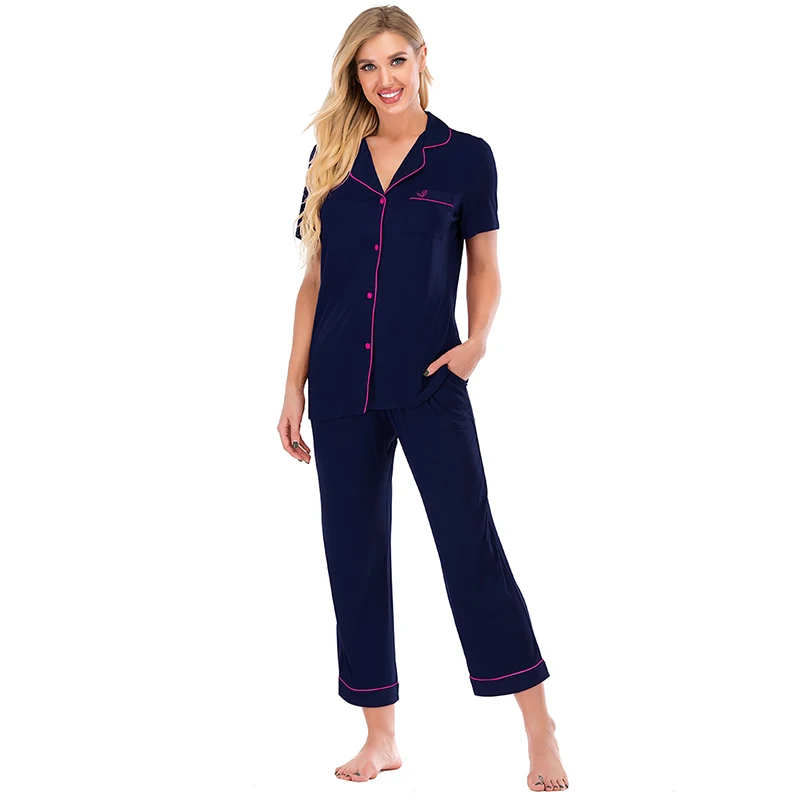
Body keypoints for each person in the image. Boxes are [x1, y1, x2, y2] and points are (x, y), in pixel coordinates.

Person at [278, 5, 569, 792]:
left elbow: (487, 264)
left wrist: (476, 345)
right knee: (354, 555)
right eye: (368, 66)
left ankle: (538, 724)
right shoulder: (330, 154)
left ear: (421, 58)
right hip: (340, 384)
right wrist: (291, 386)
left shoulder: (466, 157)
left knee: (470, 546)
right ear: (354, 74)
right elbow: (314, 280)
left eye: (396, 61)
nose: (385, 79)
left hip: (430, 380)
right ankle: (381, 736)